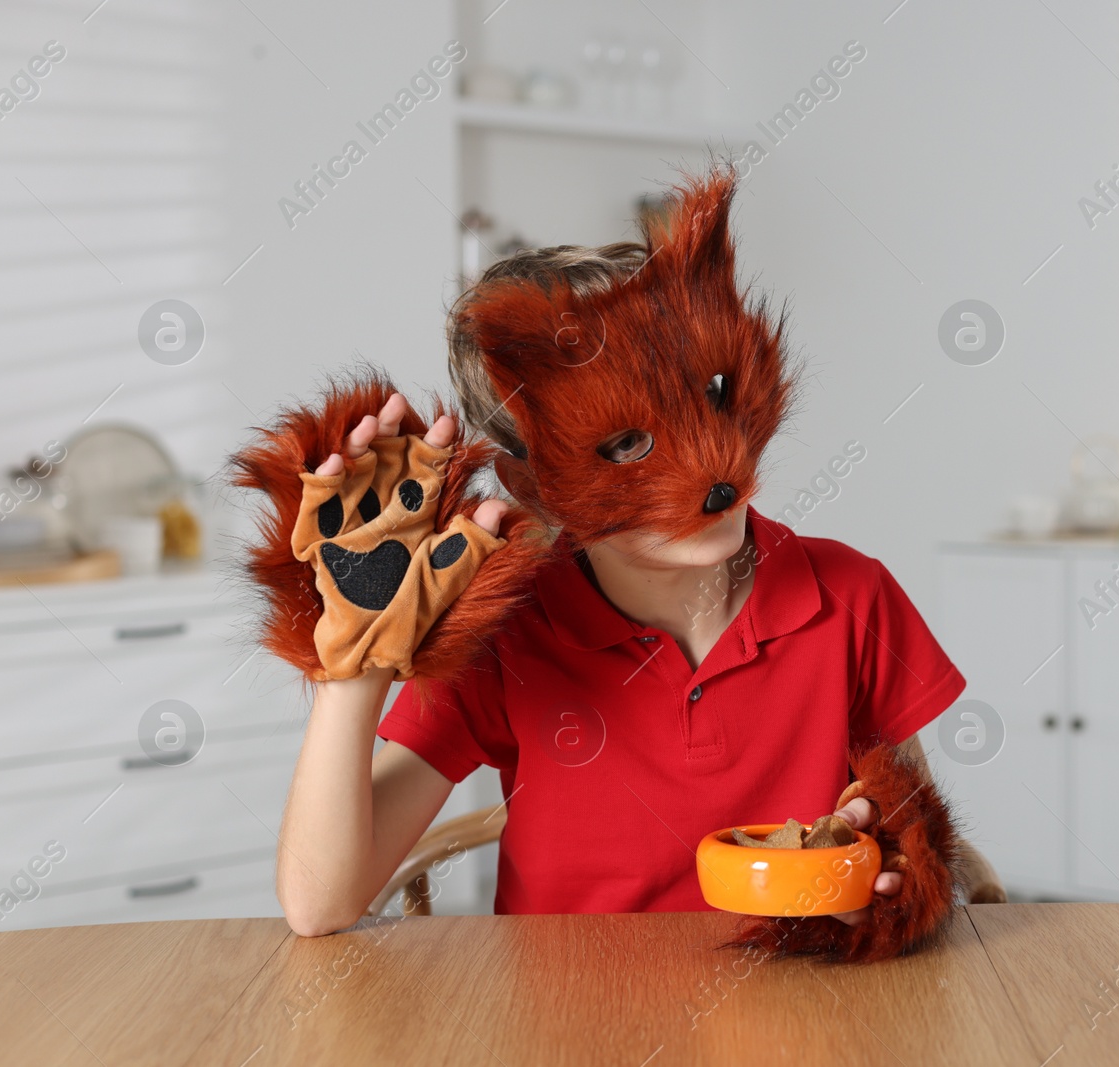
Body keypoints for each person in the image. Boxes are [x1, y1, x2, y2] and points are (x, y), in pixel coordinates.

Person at [235, 171, 991, 961]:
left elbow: (913, 835)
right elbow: (321, 902)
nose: (715, 470)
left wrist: (892, 875)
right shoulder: (503, 630)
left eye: (713, 398)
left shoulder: (849, 597)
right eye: (628, 442)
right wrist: (352, 658)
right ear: (527, 477)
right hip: (569, 1026)